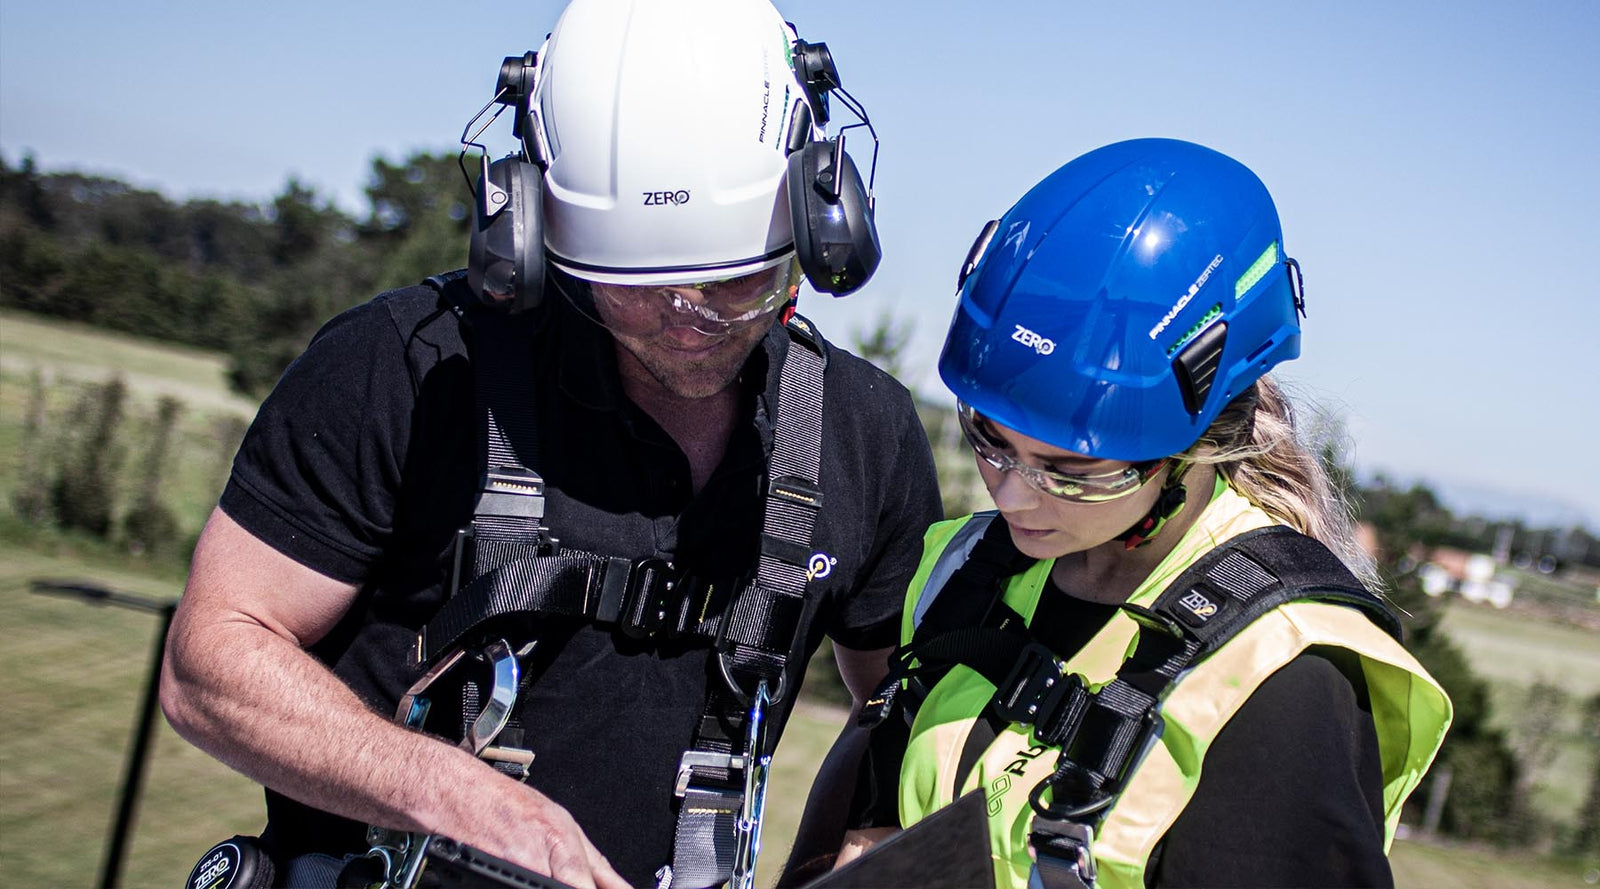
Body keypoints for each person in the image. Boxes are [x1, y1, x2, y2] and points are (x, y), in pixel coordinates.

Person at [158, 2, 942, 887]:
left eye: (733, 277)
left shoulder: (864, 435)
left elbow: (900, 710)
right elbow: (210, 659)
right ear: (530, 221)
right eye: (640, 283)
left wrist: (840, 856)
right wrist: (452, 792)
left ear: (821, 203)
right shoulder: (408, 371)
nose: (691, 318)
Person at [836, 139, 1452, 889]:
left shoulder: (1286, 681)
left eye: (1075, 470)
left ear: (1195, 443)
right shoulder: (963, 573)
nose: (1012, 497)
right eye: (990, 440)